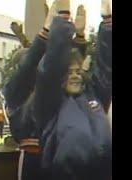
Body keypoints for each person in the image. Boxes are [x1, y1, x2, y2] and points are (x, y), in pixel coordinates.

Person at [4, 0, 95, 179]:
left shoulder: (50, 89)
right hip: (35, 160)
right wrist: (45, 33)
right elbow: (33, 69)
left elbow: (68, 68)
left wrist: (79, 38)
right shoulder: (17, 93)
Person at [32, 0, 112, 179]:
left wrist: (108, 22)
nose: (75, 76)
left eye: (77, 71)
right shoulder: (50, 104)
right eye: (68, 73)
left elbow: (106, 68)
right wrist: (62, 19)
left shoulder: (94, 96)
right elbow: (51, 67)